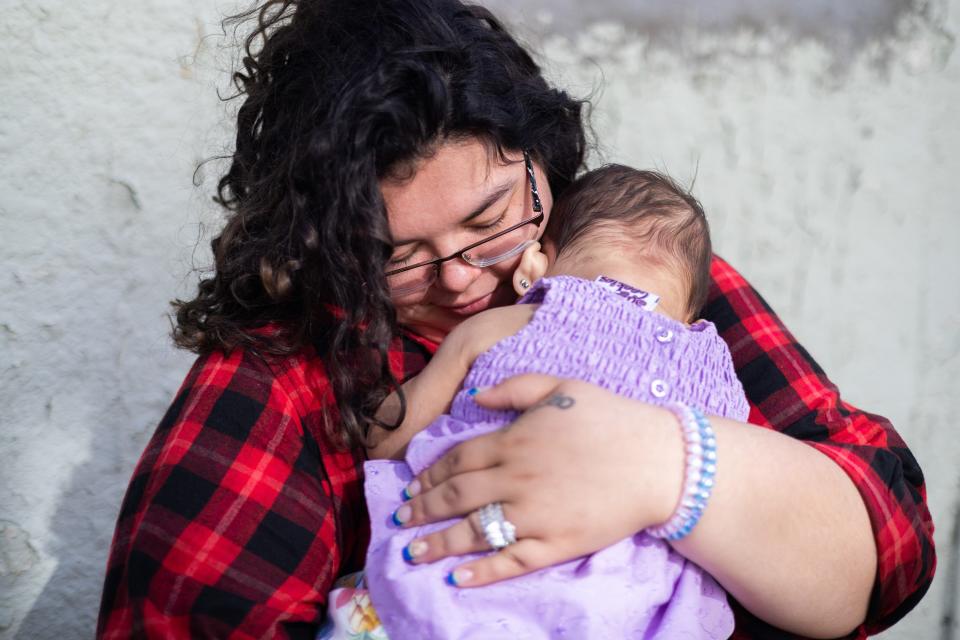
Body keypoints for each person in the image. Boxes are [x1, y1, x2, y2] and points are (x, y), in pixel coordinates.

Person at [96, 1, 934, 639]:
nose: (460, 277)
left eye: (493, 214)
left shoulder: (637, 279)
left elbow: (889, 543)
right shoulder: (281, 376)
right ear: (318, 243)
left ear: (544, 160)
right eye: (393, 252)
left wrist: (669, 467)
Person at [323, 164, 747, 639]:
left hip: (464, 577)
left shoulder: (505, 325)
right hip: (619, 609)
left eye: (485, 222)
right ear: (691, 314)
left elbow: (386, 439)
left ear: (534, 267)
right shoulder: (716, 371)